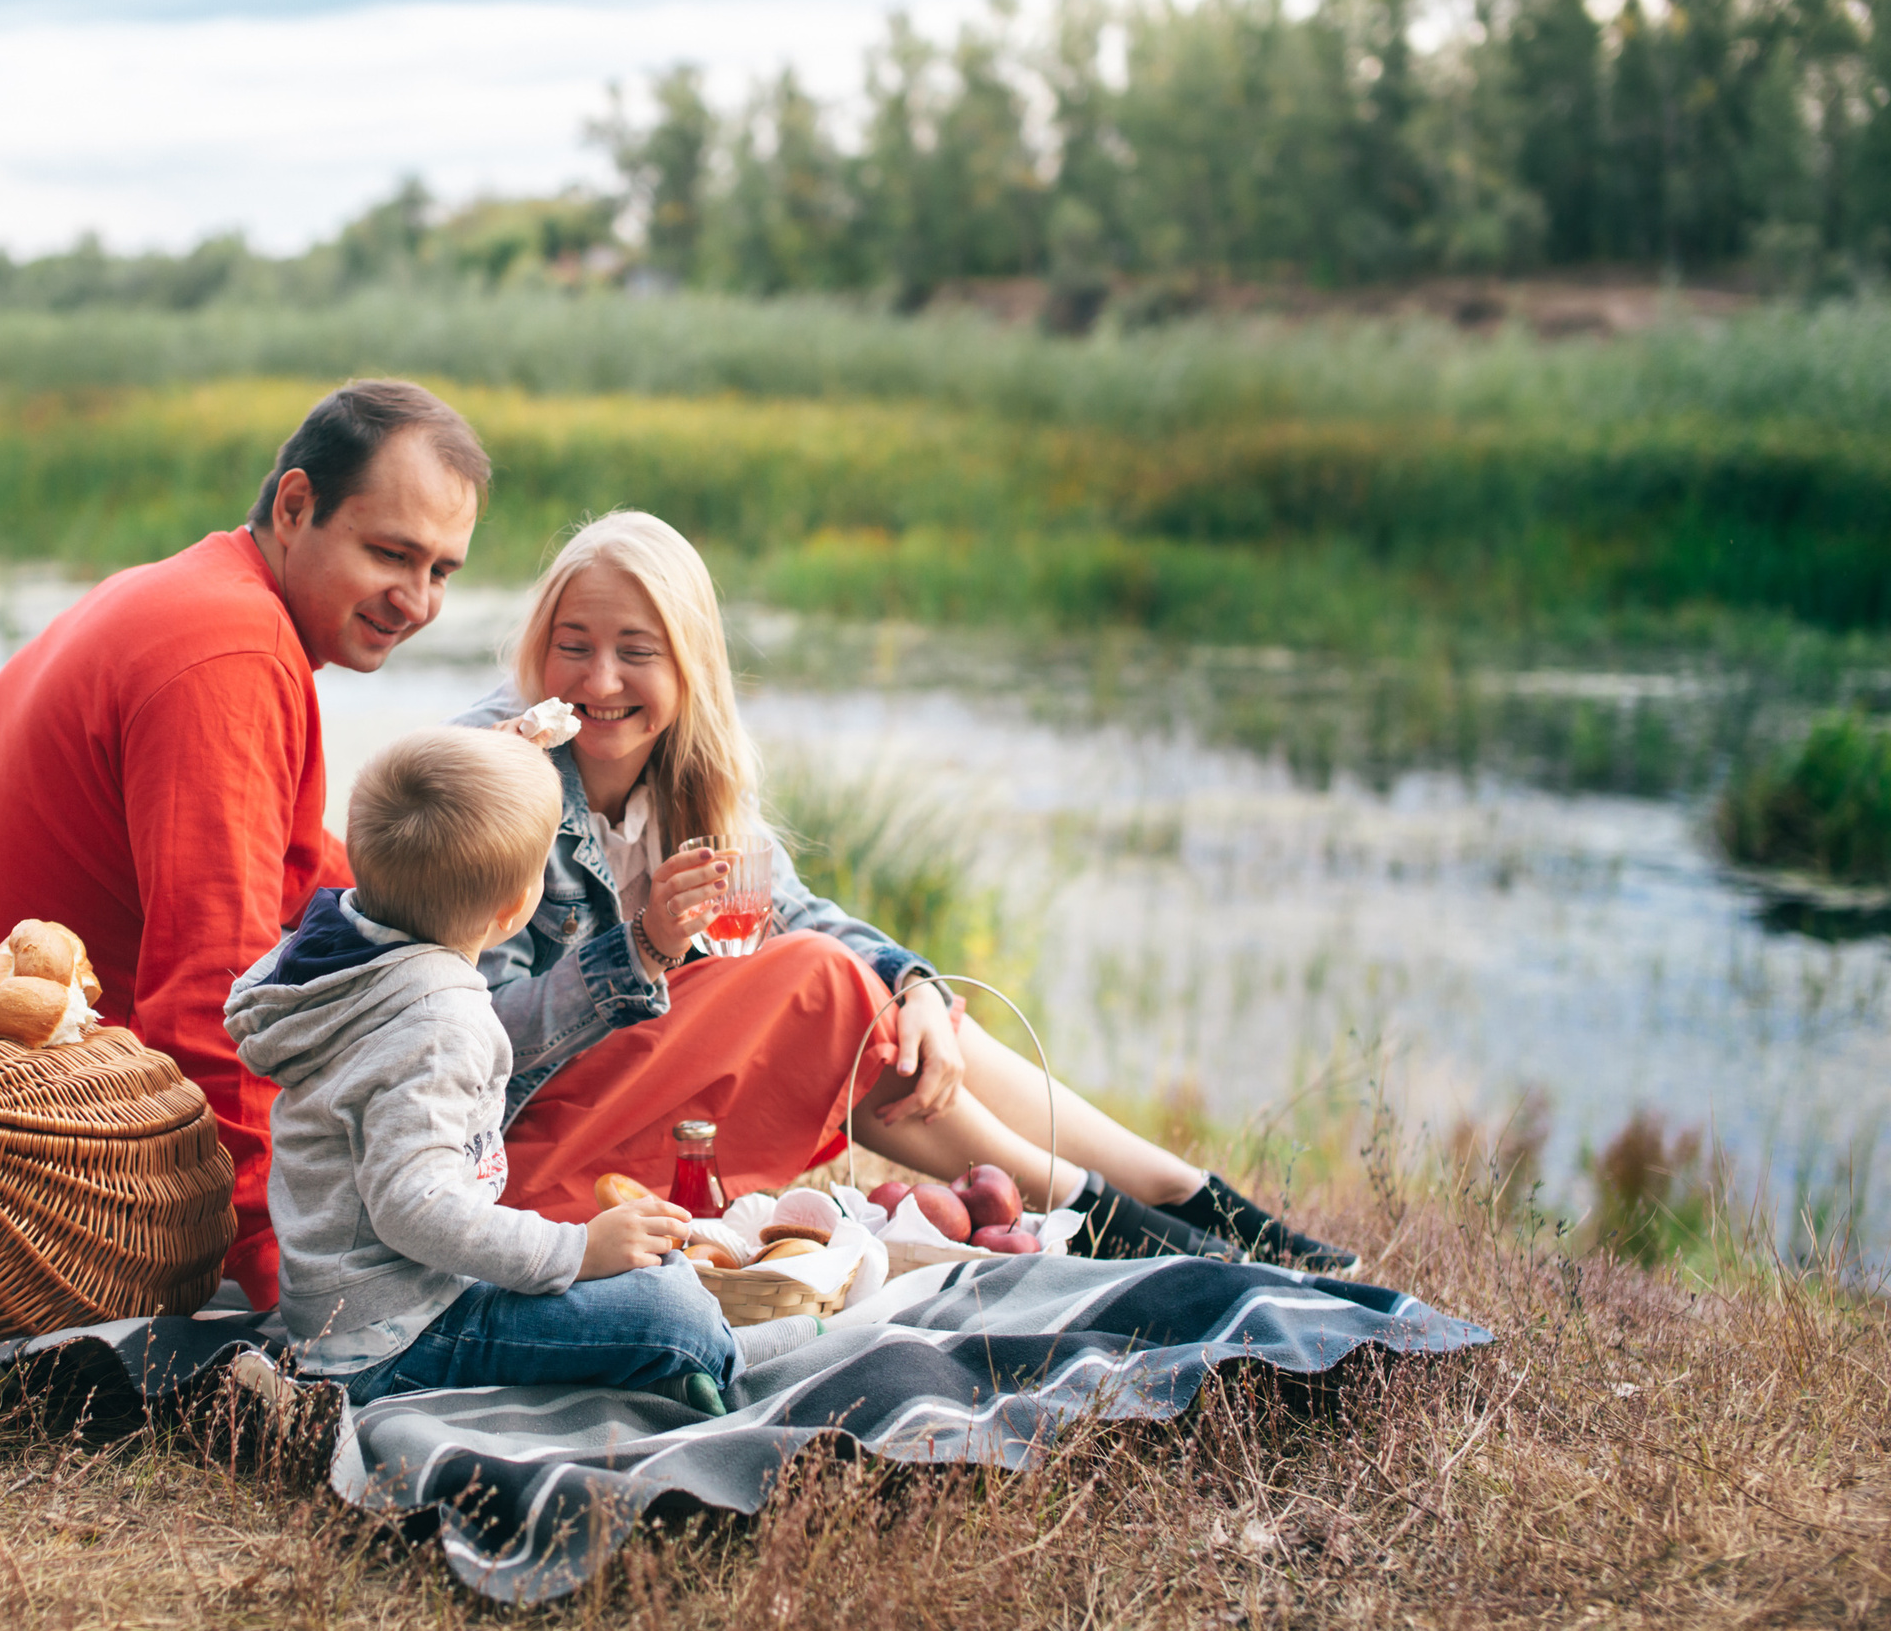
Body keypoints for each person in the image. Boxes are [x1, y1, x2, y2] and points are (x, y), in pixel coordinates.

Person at [460, 511, 1357, 1273]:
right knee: (818, 985)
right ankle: (1083, 1206)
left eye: (636, 653)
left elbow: (795, 909)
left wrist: (917, 984)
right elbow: (473, 1040)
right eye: (571, 647)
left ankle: (1173, 1190)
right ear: (540, 646)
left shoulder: (686, 773)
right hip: (529, 1154)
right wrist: (644, 949)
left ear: (689, 665)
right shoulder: (497, 773)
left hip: (650, 1105)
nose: (600, 681)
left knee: (887, 1001)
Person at [0, 380, 487, 1310]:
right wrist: (271, 1271)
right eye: (390, 553)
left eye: (442, 570)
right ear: (296, 506)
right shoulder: (233, 657)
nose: (415, 599)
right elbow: (214, 988)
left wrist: (436, 885)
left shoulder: (200, 593)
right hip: (25, 1143)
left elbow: (285, 859)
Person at [226, 726, 758, 1414]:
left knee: (652, 1265)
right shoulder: (438, 1025)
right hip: (393, 1339)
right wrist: (574, 1252)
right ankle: (732, 1366)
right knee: (674, 1312)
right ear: (513, 910)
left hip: (360, 1309)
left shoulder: (342, 952)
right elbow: (413, 1205)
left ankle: (666, 1362)